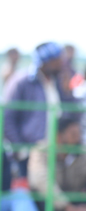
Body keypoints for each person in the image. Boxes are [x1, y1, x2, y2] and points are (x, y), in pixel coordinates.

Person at [2, 42, 73, 170]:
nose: (61, 64)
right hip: (28, 155)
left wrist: (68, 93)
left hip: (54, 153)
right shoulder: (23, 82)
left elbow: (72, 114)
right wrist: (20, 149)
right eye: (57, 60)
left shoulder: (58, 82)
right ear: (47, 62)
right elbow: (7, 118)